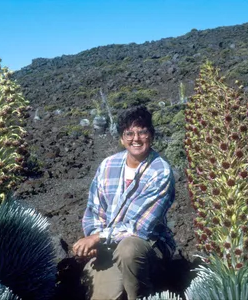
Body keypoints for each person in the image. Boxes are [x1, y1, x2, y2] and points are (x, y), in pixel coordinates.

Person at [72, 105, 176, 300]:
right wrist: (94, 239)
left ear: (151, 135)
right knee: (104, 296)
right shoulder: (108, 165)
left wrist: (97, 238)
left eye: (142, 132)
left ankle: (143, 295)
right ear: (122, 138)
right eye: (129, 133)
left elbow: (139, 228)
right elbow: (94, 211)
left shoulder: (160, 171)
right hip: (109, 246)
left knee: (129, 249)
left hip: (148, 246)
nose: (135, 139)